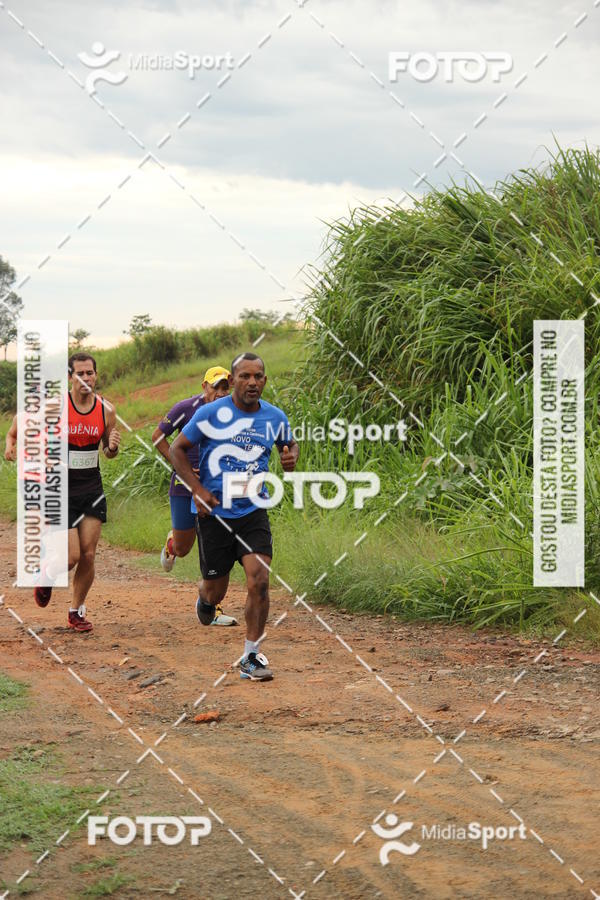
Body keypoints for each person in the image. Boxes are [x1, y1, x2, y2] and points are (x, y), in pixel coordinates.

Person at [169, 352, 299, 682]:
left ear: (265, 381)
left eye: (258, 377)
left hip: (253, 510)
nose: (252, 382)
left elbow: (289, 443)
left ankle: (251, 656)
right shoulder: (212, 413)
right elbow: (177, 449)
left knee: (259, 579)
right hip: (214, 514)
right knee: (216, 590)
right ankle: (205, 599)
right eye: (245, 376)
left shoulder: (274, 416)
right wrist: (196, 489)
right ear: (233, 378)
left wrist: (290, 457)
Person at [14, 353, 121, 632]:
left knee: (88, 554)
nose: (86, 378)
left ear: (96, 375)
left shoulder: (106, 411)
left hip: (91, 487)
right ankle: (47, 574)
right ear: (70, 376)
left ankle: (75, 611)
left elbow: (107, 453)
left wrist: (112, 448)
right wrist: (15, 443)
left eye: (90, 373)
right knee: (72, 556)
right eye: (80, 374)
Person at [151, 365, 237, 626]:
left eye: (225, 387)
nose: (220, 392)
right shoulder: (185, 408)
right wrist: (181, 467)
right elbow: (157, 438)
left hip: (214, 490)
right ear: (204, 387)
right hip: (183, 486)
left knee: (213, 547)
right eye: (215, 387)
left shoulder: (235, 414)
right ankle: (171, 545)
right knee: (183, 548)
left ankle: (213, 608)